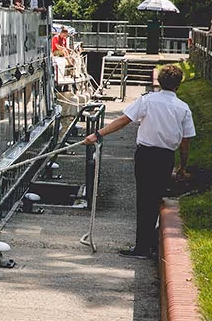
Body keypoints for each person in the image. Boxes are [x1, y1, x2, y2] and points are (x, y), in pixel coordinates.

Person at [83, 64, 195, 259]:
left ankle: (143, 247)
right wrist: (182, 167)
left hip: (146, 155)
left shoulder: (147, 101)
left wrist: (97, 134)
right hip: (166, 157)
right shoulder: (183, 108)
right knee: (156, 196)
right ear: (179, 85)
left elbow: (123, 120)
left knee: (144, 199)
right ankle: (150, 242)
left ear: (159, 82)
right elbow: (185, 143)